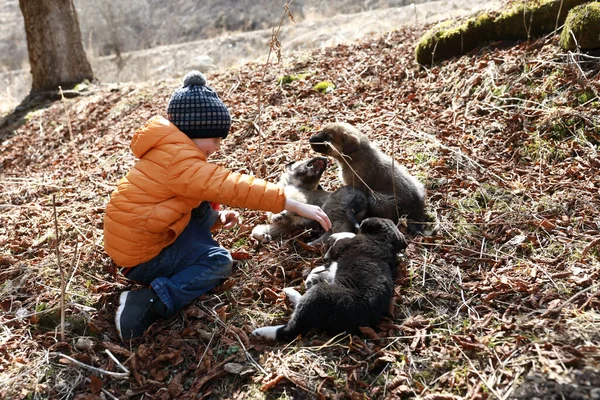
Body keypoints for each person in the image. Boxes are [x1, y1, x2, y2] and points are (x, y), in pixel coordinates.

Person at [103, 70, 331, 341]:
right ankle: (147, 301)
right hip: (143, 257)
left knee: (202, 200)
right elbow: (233, 186)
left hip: (141, 236)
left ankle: (196, 238)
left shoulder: (168, 149)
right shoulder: (181, 162)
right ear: (194, 130)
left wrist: (215, 218)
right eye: (214, 138)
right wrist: (291, 203)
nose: (217, 146)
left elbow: (186, 197)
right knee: (218, 262)